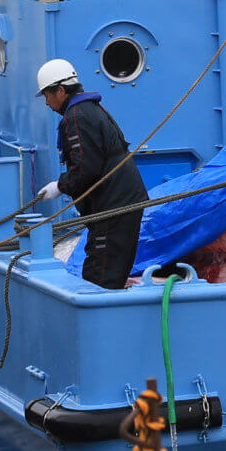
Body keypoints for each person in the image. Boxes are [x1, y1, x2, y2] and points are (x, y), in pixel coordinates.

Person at [35, 59, 148, 290]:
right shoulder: (89, 109)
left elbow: (86, 169)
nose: (46, 102)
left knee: (100, 279)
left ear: (60, 90)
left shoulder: (76, 116)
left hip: (114, 207)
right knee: (109, 273)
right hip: (121, 202)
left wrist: (60, 186)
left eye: (47, 95)